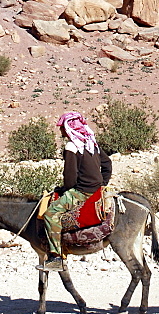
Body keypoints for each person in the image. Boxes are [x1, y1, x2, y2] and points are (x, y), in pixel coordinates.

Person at [39, 111, 112, 271]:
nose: (61, 131)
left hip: (82, 191)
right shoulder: (91, 142)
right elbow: (107, 164)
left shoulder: (72, 146)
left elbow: (70, 176)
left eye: (62, 128)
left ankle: (56, 258)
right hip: (96, 188)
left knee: (51, 214)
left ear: (68, 128)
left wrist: (65, 190)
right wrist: (102, 183)